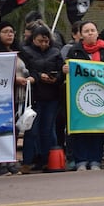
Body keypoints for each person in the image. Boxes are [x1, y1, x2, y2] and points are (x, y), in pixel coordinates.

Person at [62, 21, 104, 171]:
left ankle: (95, 160)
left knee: (98, 128)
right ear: (81, 35)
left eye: (93, 30)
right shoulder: (74, 51)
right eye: (86, 31)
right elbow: (67, 69)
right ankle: (81, 160)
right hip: (80, 97)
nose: (90, 33)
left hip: (101, 96)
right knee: (81, 128)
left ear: (97, 33)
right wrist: (66, 69)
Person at [20, 24, 64, 174]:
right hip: (34, 96)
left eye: (46, 41)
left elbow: (61, 71)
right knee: (31, 130)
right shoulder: (25, 52)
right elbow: (26, 70)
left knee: (47, 130)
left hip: (52, 96)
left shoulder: (56, 52)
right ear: (33, 39)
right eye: (40, 41)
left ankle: (48, 161)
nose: (44, 44)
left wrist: (56, 77)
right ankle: (27, 162)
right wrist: (39, 76)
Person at [0, 21, 28, 176]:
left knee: (15, 130)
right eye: (5, 31)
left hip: (19, 97)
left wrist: (30, 78)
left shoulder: (18, 52)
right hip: (2, 99)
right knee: (2, 131)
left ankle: (11, 161)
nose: (9, 34)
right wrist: (14, 80)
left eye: (12, 31)